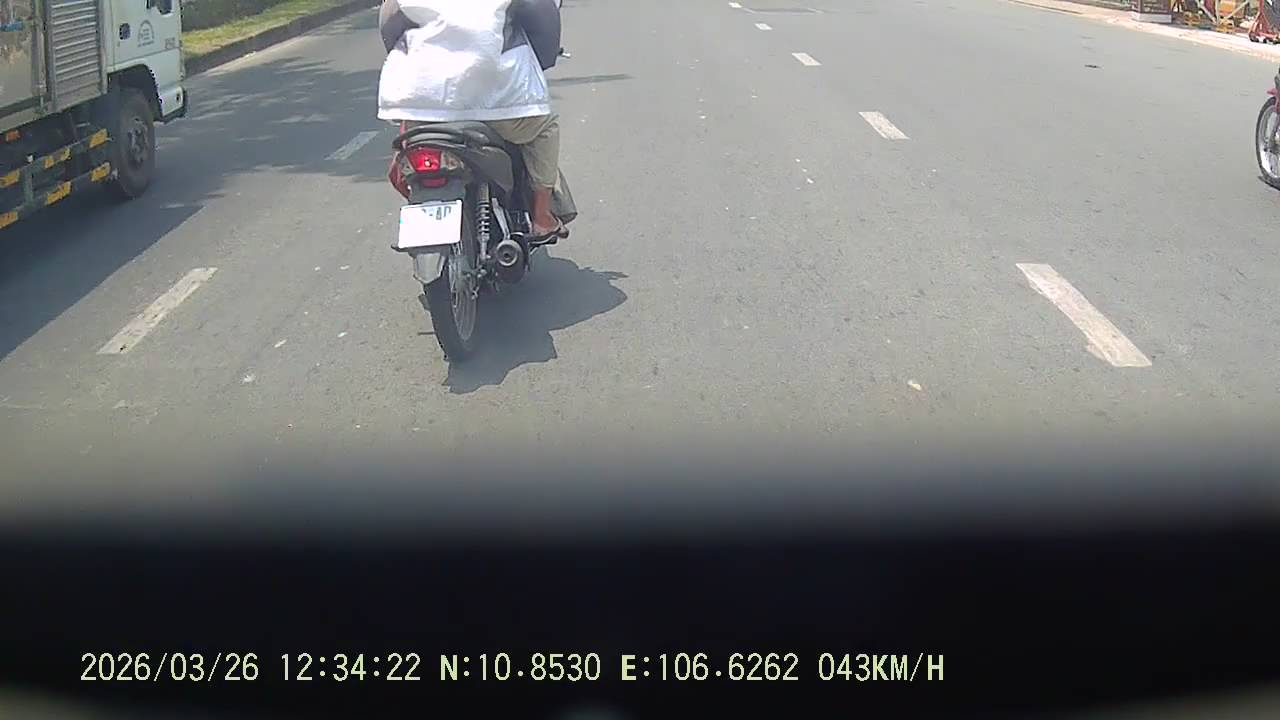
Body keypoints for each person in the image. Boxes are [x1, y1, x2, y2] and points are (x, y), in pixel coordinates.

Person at [377, 0, 568, 242]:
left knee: (413, 138)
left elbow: (389, 22)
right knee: (544, 129)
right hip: (500, 99)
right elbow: (541, 15)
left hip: (422, 98)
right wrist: (540, 60)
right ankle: (542, 217)